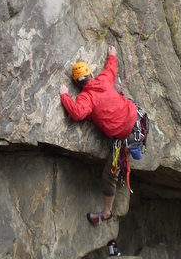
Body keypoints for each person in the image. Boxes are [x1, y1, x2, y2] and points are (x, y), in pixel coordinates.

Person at [59, 46, 138, 224]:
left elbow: (78, 113)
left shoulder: (86, 98)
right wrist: (113, 55)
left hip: (122, 136)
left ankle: (106, 212)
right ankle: (135, 149)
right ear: (91, 75)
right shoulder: (104, 80)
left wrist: (65, 96)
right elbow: (111, 68)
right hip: (136, 120)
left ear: (77, 85)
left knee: (109, 176)